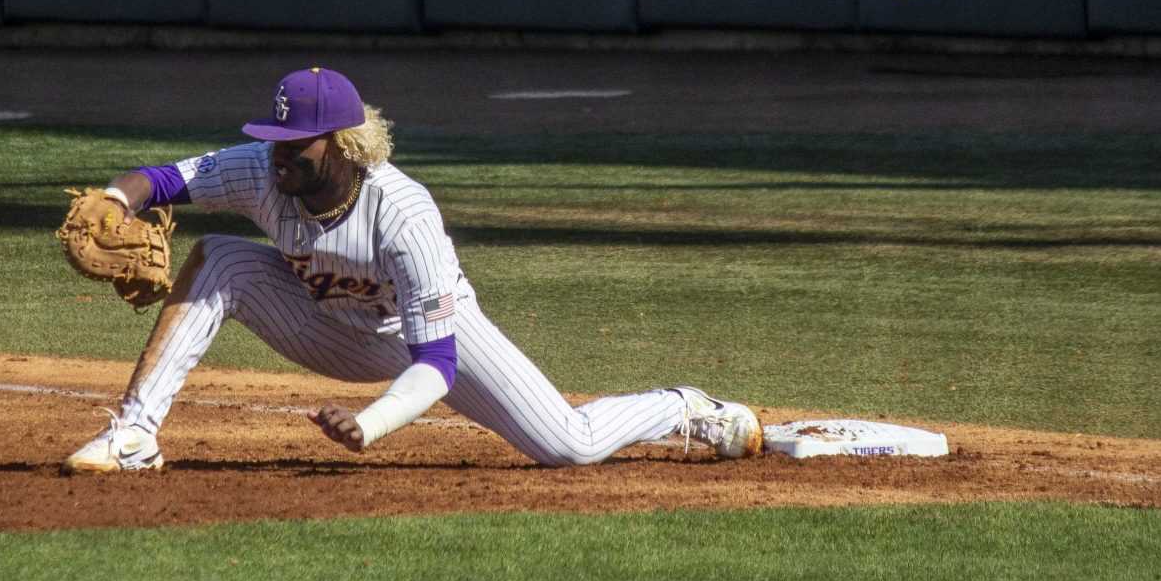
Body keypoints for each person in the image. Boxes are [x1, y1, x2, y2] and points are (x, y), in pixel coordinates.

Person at [64, 66, 765, 476]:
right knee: (219, 259)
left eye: (293, 145)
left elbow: (437, 363)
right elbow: (161, 179)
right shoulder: (261, 172)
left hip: (423, 337)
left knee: (568, 445)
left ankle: (681, 408)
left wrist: (371, 424)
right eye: (271, 141)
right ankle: (134, 434)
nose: (276, 156)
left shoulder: (404, 215)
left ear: (341, 146)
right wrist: (117, 198)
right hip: (321, 323)